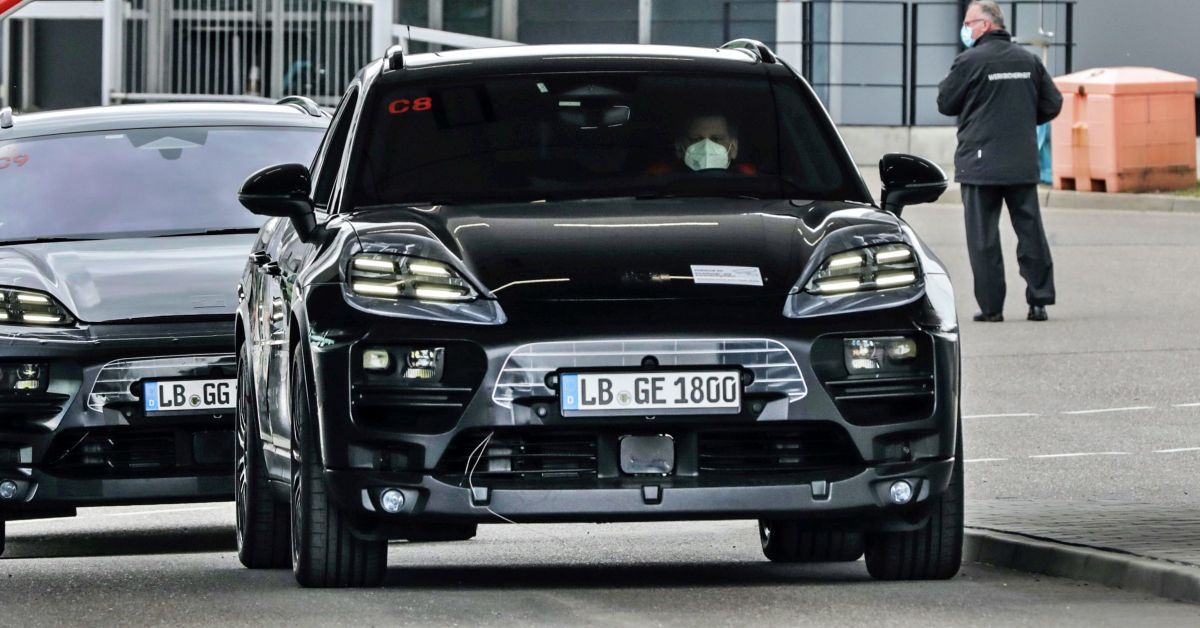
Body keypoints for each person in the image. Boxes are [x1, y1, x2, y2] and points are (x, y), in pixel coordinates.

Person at [937, 0, 1062, 322]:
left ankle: (992, 308)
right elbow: (1052, 103)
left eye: (968, 22)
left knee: (984, 239)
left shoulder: (969, 61)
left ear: (985, 25)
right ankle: (1039, 301)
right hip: (1021, 161)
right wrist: (1020, 120)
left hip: (980, 164)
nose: (965, 28)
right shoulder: (1029, 61)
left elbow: (946, 103)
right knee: (1030, 231)